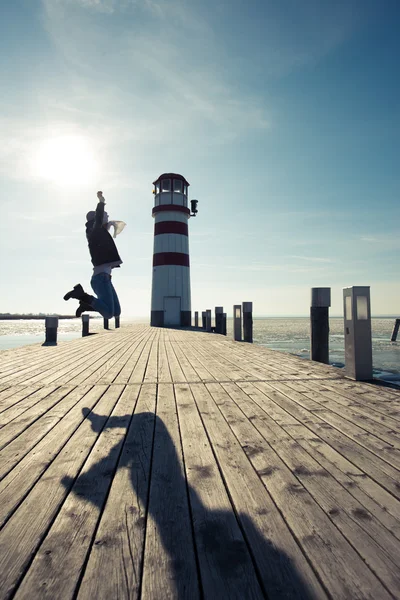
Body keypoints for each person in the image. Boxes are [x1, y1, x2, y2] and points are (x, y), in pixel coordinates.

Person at [63, 191, 126, 319]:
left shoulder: (99, 234)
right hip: (100, 278)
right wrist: (101, 202)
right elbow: (98, 220)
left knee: (116, 312)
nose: (106, 221)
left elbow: (103, 224)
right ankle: (81, 295)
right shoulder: (94, 231)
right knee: (108, 314)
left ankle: (87, 304)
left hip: (105, 278)